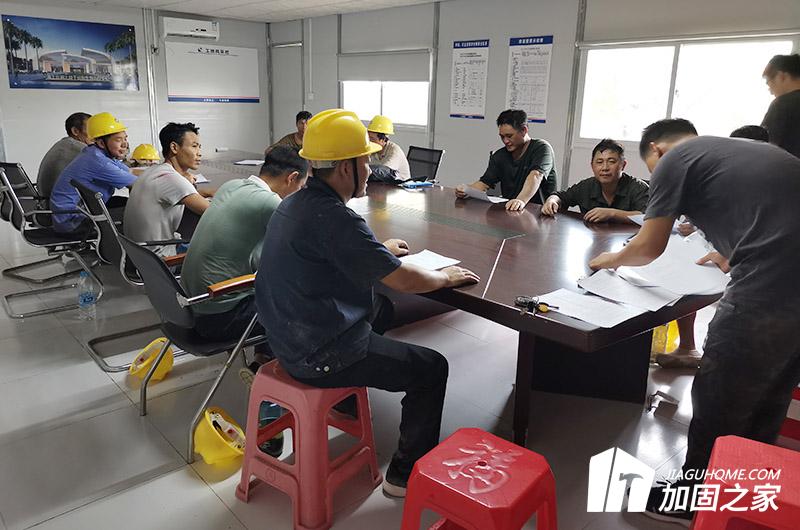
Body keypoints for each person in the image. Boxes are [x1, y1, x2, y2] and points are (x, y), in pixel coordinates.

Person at [255, 109, 479, 497]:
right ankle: (404, 476)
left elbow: (335, 252)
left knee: (382, 309)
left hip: (285, 336)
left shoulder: (296, 203)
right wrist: (446, 277)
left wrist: (378, 252)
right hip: (317, 353)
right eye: (365, 161)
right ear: (346, 167)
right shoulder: (334, 218)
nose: (370, 169)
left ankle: (344, 402)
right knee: (431, 368)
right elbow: (404, 280)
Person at [588, 118, 800, 525]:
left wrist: (612, 259)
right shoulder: (739, 153)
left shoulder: (676, 158)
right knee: (770, 390)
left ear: (656, 150)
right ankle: (739, 493)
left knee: (722, 390)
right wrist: (731, 250)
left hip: (774, 284)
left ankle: (693, 499)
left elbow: (648, 246)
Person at [122, 123, 210, 256]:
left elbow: (181, 193)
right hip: (160, 257)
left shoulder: (153, 171)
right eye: (194, 146)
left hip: (137, 254)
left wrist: (207, 192)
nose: (199, 153)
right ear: (174, 147)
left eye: (199, 147)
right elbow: (214, 212)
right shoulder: (171, 179)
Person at [50, 112, 136, 234]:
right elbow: (138, 183)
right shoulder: (99, 162)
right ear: (101, 143)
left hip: (73, 215)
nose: (125, 144)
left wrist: (156, 171)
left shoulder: (95, 153)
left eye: (125, 138)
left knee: (125, 203)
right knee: (139, 211)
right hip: (74, 222)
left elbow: (130, 171)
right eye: (118, 140)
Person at [455, 109, 557, 211]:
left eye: (509, 136)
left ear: (524, 130)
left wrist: (520, 200)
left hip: (540, 212)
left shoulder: (541, 148)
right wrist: (466, 190)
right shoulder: (500, 155)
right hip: (511, 210)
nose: (505, 141)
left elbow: (536, 176)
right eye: (502, 137)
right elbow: (484, 183)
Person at [541, 138, 648, 223]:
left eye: (611, 161)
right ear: (592, 166)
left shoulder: (638, 188)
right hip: (597, 239)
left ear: (623, 165)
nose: (605, 168)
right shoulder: (587, 186)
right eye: (599, 162)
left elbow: (646, 218)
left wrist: (612, 214)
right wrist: (552, 200)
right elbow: (561, 196)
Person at [36, 112, 92, 200]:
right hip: (64, 204)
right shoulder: (79, 148)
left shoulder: (63, 144)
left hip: (47, 202)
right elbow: (108, 169)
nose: (95, 134)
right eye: (90, 130)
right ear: (75, 131)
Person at [761, 53, 800, 158]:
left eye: (769, 82)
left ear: (781, 76)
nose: (771, 92)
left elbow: (766, 146)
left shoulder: (783, 104)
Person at [366, 115, 411, 182]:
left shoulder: (394, 150)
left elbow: (383, 172)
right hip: (383, 185)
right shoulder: (372, 150)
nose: (369, 142)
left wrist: (363, 169)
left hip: (400, 186)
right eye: (368, 138)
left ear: (383, 140)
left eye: (372, 139)